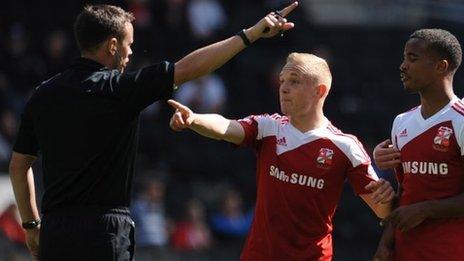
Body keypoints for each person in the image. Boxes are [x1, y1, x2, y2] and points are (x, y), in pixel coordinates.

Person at [8, 2, 299, 260]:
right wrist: (250, 35)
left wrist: (32, 226)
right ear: (112, 46)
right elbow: (190, 68)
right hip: (104, 232)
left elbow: (20, 166)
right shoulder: (122, 89)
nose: (131, 52)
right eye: (129, 44)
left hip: (56, 230)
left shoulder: (42, 95)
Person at [168, 52, 395, 260]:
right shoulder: (269, 127)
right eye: (282, 80)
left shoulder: (345, 146)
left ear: (320, 90)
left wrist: (387, 196)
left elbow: (383, 210)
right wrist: (194, 119)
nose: (283, 87)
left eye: (294, 81)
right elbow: (227, 127)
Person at [372, 29, 464, 261]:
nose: (403, 66)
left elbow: (418, 206)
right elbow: (406, 190)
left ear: (441, 67)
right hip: (406, 250)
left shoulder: (460, 120)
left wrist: (426, 209)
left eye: (413, 59)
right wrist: (385, 243)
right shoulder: (401, 122)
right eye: (404, 58)